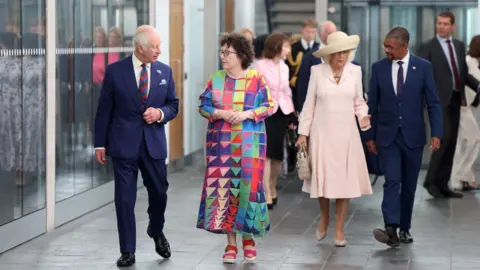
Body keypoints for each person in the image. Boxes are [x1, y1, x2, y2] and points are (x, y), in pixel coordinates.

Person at [94, 25, 179, 267]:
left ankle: (156, 229)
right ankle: (127, 250)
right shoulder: (115, 71)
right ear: (140, 48)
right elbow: (104, 111)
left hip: (153, 144)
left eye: (159, 46)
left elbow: (173, 104)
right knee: (124, 199)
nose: (159, 51)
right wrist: (99, 143)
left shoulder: (164, 71)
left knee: (160, 193)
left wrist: (160, 113)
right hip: (123, 144)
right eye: (154, 46)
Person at [196, 33, 274, 263]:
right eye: (222, 52)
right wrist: (219, 113)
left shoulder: (256, 79)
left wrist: (246, 114)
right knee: (225, 192)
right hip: (221, 147)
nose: (223, 56)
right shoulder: (216, 79)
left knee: (247, 191)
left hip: (250, 146)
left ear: (240, 55)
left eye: (227, 52)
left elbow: (269, 105)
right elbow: (203, 105)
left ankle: (248, 239)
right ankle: (231, 244)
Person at [366, 26, 442, 247]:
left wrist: (436, 133)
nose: (386, 50)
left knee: (409, 185)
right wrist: (369, 136)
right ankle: (390, 227)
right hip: (387, 136)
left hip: (413, 136)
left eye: (391, 47)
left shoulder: (423, 68)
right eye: (385, 46)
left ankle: (404, 228)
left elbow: (434, 103)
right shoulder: (378, 68)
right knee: (392, 180)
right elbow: (372, 105)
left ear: (404, 46)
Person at [296, 31, 373, 247]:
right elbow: (309, 104)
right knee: (324, 179)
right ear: (329, 54)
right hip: (322, 133)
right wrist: (303, 134)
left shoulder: (355, 71)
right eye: (338, 53)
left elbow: (359, 101)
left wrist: (364, 118)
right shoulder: (316, 71)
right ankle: (325, 216)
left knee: (345, 182)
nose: (341, 57)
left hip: (347, 133)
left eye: (345, 52)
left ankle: (339, 227)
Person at [419, 11, 480, 199]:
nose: (441, 27)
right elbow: (422, 75)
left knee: (452, 141)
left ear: (453, 26)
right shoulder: (428, 47)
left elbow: (461, 74)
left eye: (445, 24)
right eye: (439, 23)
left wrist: (477, 86)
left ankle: (442, 183)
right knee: (443, 138)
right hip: (438, 101)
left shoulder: (459, 46)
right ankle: (430, 182)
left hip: (456, 99)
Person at [254, 32, 295, 209]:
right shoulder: (259, 66)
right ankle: (265, 192)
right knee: (266, 154)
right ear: (277, 46)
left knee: (278, 156)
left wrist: (292, 112)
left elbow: (286, 92)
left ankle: (272, 184)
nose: (288, 50)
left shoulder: (285, 67)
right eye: (286, 46)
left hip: (281, 113)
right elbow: (254, 90)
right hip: (265, 113)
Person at [451, 35, 480, 191]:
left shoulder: (474, 62)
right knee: (471, 140)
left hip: (469, 106)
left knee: (466, 142)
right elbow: (468, 84)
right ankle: (459, 177)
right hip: (464, 106)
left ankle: (465, 179)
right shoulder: (470, 62)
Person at [295, 20, 337, 112]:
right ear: (321, 35)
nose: (334, 35)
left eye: (335, 32)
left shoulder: (341, 54)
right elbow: (303, 85)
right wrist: (303, 110)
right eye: (330, 33)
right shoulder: (309, 57)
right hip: (316, 107)